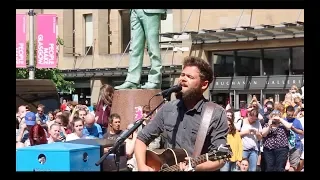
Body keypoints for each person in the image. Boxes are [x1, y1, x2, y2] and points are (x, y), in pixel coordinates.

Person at [134, 56, 229, 171]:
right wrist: (142, 165)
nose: (183, 79)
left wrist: (196, 166)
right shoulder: (168, 108)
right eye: (182, 75)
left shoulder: (216, 113)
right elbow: (141, 138)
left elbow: (220, 158)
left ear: (204, 85)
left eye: (189, 77)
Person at [114, 9, 167, 89]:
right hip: (135, 11)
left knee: (152, 46)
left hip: (150, 11)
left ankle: (155, 80)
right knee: (135, 47)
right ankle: (132, 80)